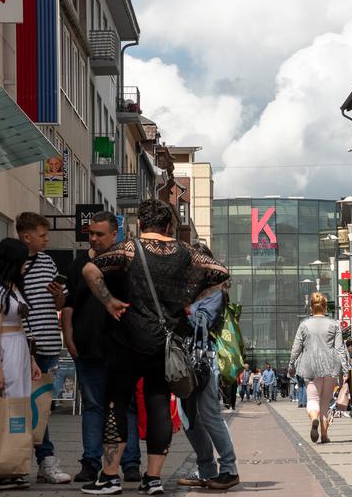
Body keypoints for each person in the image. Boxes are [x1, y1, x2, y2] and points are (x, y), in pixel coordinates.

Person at [81, 199, 229, 495]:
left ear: (140, 224)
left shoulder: (129, 248)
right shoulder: (187, 252)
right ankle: (153, 479)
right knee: (159, 405)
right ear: (169, 225)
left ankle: (110, 476)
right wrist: (189, 297)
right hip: (166, 342)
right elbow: (221, 273)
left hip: (128, 339)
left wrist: (108, 301)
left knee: (116, 404)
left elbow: (90, 271)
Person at [63, 212, 142, 484]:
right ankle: (90, 462)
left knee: (126, 407)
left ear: (114, 234)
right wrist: (69, 339)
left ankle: (130, 463)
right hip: (88, 346)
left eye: (99, 234)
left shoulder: (127, 263)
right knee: (93, 406)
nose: (94, 238)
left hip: (122, 348)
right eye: (91, 234)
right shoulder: (78, 264)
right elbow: (70, 305)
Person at [0, 238, 42, 490]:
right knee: (7, 407)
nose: (26, 264)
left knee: (18, 408)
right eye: (24, 259)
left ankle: (10, 465)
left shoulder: (13, 287)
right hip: (6, 349)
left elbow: (22, 325)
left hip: (19, 348)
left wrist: (31, 359)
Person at [177, 251, 241, 491]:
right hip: (184, 358)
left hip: (205, 358)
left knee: (210, 414)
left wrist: (184, 308)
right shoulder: (189, 289)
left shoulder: (216, 292)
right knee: (187, 419)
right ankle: (206, 469)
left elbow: (201, 322)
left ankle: (229, 469)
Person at [16, 212, 72, 484]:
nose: (46, 239)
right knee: (27, 408)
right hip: (26, 345)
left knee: (41, 408)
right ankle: (41, 460)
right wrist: (26, 346)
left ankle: (40, 462)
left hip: (49, 343)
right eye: (42, 235)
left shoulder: (48, 261)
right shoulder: (12, 264)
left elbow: (60, 304)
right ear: (26, 237)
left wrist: (59, 296)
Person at [289, 292, 350, 444]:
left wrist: (291, 364)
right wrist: (345, 369)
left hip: (310, 366)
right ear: (325, 306)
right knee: (325, 403)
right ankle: (324, 435)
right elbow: (339, 349)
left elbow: (296, 348)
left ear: (311, 307)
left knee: (313, 399)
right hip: (330, 365)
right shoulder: (334, 324)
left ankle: (314, 419)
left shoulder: (304, 325)